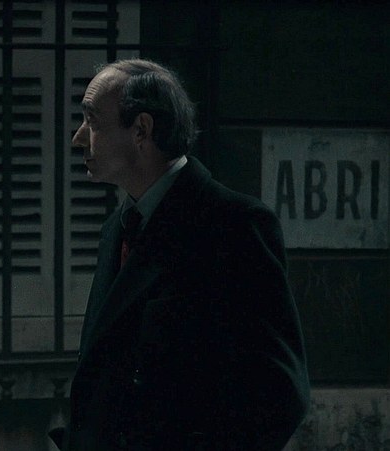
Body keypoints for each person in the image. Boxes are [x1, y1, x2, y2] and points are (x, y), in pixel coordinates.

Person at [52, 59, 310, 450]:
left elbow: (279, 392)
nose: (78, 138)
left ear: (141, 130)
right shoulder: (117, 229)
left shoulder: (233, 226)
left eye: (93, 121)